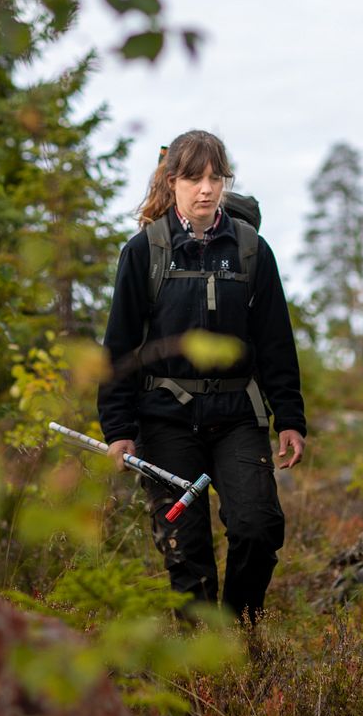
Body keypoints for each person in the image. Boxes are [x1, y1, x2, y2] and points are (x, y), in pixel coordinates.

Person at [97, 129, 306, 623]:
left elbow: (276, 341)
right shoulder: (144, 252)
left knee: (258, 527)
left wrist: (291, 418)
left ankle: (239, 631)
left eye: (215, 178)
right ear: (172, 182)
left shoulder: (253, 251)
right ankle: (201, 662)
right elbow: (120, 348)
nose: (206, 189)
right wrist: (119, 431)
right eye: (193, 178)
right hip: (165, 421)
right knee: (184, 550)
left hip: (237, 417)